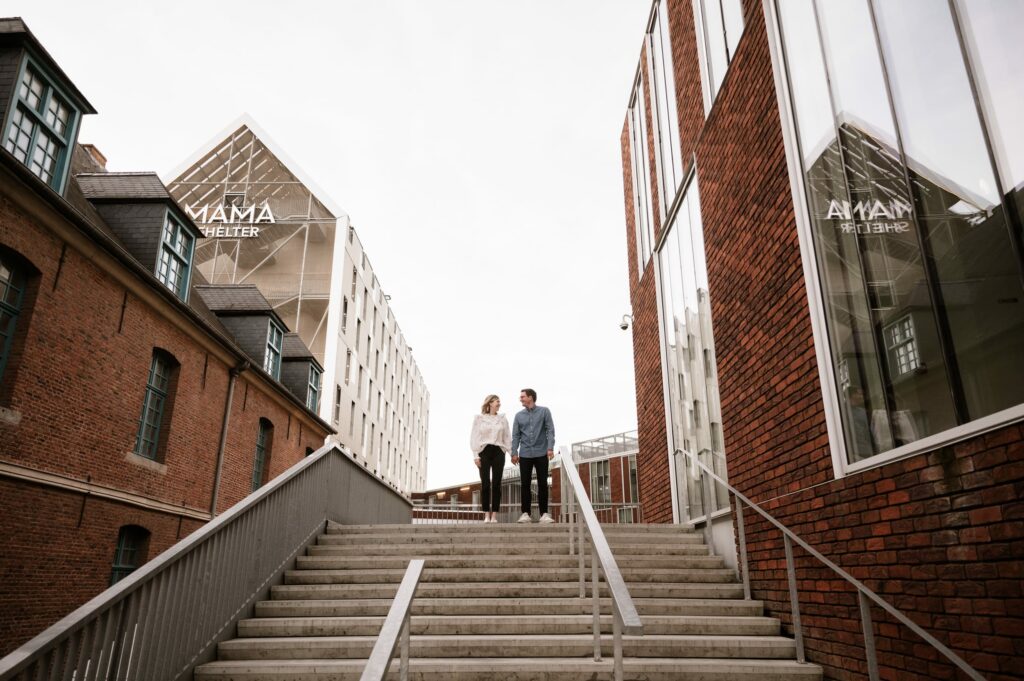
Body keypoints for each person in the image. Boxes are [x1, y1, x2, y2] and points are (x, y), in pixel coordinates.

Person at [510, 388, 555, 524]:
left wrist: (550, 448)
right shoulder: (518, 416)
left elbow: (550, 430)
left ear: (531, 397)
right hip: (525, 454)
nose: (520, 399)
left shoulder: (544, 411)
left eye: (523, 397)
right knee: (525, 484)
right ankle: (525, 513)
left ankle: (544, 514)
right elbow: (516, 435)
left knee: (542, 484)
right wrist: (514, 452)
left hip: (541, 452)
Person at [471, 394, 511, 523]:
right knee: (485, 484)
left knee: (497, 484)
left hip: (499, 451)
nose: (499, 403)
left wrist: (511, 453)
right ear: (490, 404)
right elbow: (474, 437)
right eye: (497, 401)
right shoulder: (479, 419)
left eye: (499, 401)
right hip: (484, 451)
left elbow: (507, 437)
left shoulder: (502, 419)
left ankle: (494, 515)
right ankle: (486, 515)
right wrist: (475, 455)